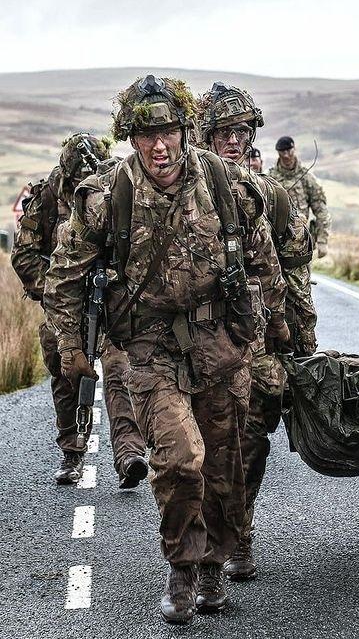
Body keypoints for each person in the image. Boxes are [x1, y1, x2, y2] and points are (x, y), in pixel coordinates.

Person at [43, 75, 288, 624]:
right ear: (132, 137)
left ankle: (213, 569)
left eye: (169, 131)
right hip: (150, 346)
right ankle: (182, 567)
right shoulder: (108, 197)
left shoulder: (227, 186)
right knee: (180, 458)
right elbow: (63, 279)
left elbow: (264, 259)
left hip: (220, 343)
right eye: (147, 133)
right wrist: (71, 347)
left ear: (184, 130)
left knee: (225, 467)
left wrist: (273, 331)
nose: (160, 145)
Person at [197, 82, 317, 580]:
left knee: (250, 436)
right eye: (224, 131)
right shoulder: (180, 190)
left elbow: (293, 264)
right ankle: (205, 545)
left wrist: (300, 335)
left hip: (261, 337)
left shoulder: (268, 192)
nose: (234, 139)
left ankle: (238, 534)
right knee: (200, 446)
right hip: (199, 339)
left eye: (242, 130)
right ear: (205, 134)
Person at [11, 133, 147, 488]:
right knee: (64, 367)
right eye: (76, 183)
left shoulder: (116, 190)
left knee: (120, 369)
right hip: (67, 301)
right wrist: (58, 291)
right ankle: (72, 451)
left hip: (112, 297)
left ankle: (129, 452)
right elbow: (23, 255)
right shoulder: (44, 198)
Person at [269, 135, 330, 258]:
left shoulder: (307, 178)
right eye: (282, 152)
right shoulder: (270, 178)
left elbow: (321, 209)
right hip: (276, 243)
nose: (286, 155)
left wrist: (323, 241)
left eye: (289, 151)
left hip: (302, 243)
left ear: (294, 149)